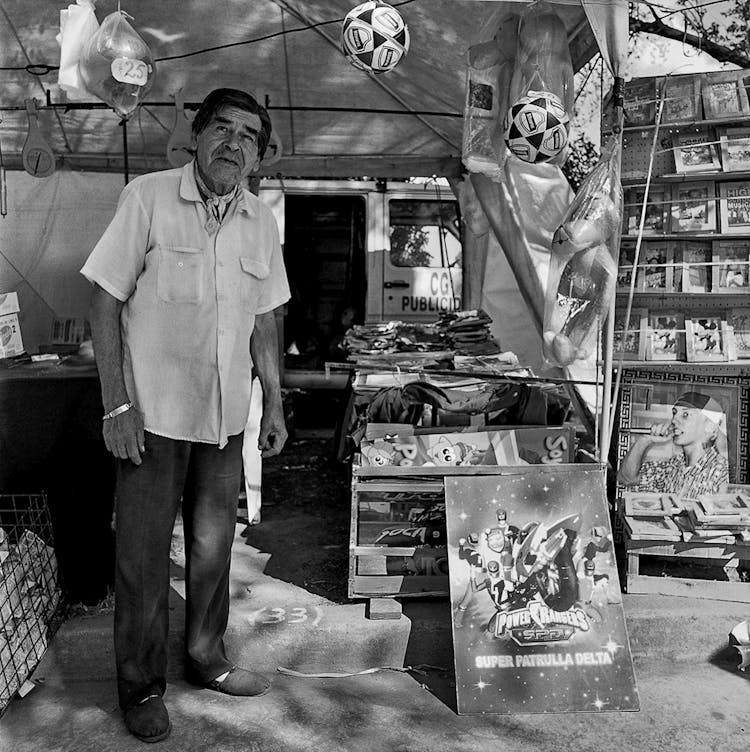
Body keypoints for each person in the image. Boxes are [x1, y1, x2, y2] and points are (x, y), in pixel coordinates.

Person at [81, 88, 290, 743]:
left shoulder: (260, 220)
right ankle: (140, 688)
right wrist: (116, 403)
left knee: (212, 549)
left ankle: (206, 660)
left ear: (259, 156)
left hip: (224, 417)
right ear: (195, 138)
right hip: (153, 417)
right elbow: (103, 302)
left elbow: (265, 319)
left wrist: (275, 402)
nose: (233, 144)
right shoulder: (146, 199)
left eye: (248, 137)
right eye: (222, 130)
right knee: (142, 560)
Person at [618, 391, 729, 498]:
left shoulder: (721, 472)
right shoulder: (674, 465)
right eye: (674, 413)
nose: (674, 420)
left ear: (710, 426)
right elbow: (627, 479)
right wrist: (645, 440)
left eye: (685, 415)